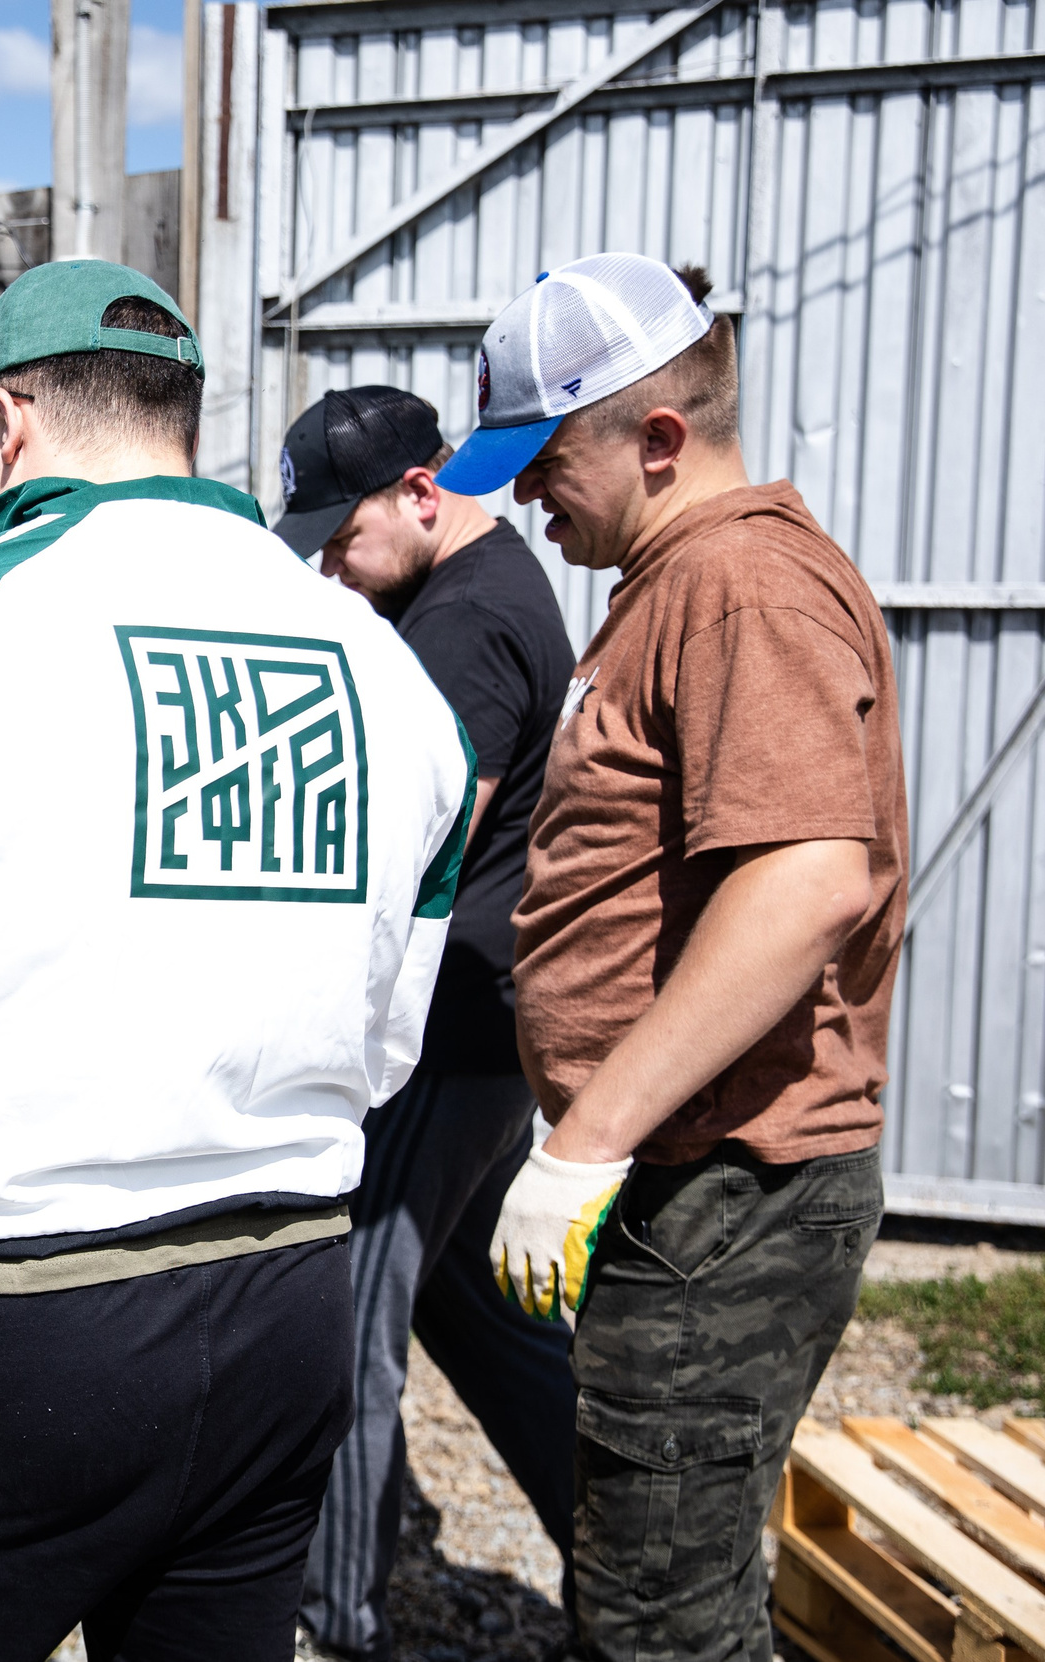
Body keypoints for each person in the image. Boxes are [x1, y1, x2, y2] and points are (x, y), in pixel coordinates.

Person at [0, 259, 478, 1662]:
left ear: (5, 421)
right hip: (287, 1299)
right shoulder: (392, 677)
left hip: (3, 1319)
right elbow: (380, 1049)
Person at [449, 255, 904, 1658]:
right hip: (687, 1176)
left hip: (730, 1182)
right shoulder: (671, 581)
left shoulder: (740, 587)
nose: (529, 499)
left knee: (660, 1621)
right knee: (660, 1584)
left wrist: (586, 1141)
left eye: (546, 461)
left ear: (657, 437)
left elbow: (807, 882)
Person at [271, 386, 579, 1661]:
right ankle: (630, 1565)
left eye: (344, 537)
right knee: (488, 1327)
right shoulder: (466, 593)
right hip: (479, 1032)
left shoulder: (463, 622)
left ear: (420, 492)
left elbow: (415, 842)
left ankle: (332, 1621)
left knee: (343, 1333)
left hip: (440, 1037)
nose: (333, 566)